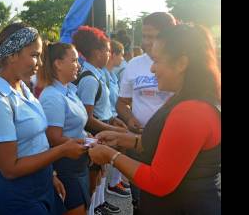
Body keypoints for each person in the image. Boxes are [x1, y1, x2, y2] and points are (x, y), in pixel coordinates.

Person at [89, 23, 221, 214]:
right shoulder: (188, 99)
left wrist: (111, 156)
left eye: (157, 61)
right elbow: (172, 148)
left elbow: (159, 182)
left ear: (182, 63)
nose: (152, 68)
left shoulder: (191, 111)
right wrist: (125, 139)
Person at [0, 23, 86, 215]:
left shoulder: (23, 89)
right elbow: (10, 168)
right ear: (12, 55)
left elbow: (37, 142)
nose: (40, 63)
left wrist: (51, 175)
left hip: (42, 184)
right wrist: (62, 150)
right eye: (35, 55)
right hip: (20, 195)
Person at [115, 12, 177, 211]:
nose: (146, 42)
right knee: (141, 199)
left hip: (171, 143)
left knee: (166, 196)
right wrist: (129, 117)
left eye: (153, 36)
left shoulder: (180, 65)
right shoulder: (133, 65)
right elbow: (121, 102)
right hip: (138, 142)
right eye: (144, 36)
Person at [72, 25, 126, 215]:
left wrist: (113, 121)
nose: (109, 55)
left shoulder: (97, 75)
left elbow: (101, 109)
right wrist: (114, 131)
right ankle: (90, 209)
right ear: (97, 53)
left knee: (100, 173)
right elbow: (88, 118)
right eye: (108, 51)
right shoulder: (90, 79)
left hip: (102, 128)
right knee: (92, 178)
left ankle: (97, 206)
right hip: (94, 133)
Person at [38, 41, 90, 215]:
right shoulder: (52, 96)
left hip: (77, 162)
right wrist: (88, 143)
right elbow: (54, 138)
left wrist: (88, 137)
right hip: (66, 166)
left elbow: (75, 126)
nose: (78, 65)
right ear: (58, 64)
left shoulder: (68, 91)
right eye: (74, 60)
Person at [103, 40, 131, 198]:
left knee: (120, 149)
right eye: (120, 54)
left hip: (113, 117)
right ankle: (113, 184)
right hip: (108, 118)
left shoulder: (112, 74)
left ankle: (116, 181)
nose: (122, 58)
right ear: (112, 55)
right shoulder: (104, 75)